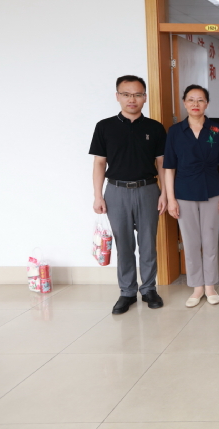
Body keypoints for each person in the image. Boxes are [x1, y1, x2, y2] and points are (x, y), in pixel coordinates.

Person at [90, 75, 167, 315]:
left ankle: (149, 289)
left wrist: (164, 193)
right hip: (116, 191)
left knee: (148, 244)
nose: (131, 99)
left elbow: (162, 164)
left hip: (148, 190)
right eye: (126, 94)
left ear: (145, 97)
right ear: (117, 97)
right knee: (123, 244)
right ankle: (127, 292)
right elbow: (99, 163)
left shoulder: (155, 128)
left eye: (137, 94)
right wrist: (98, 196)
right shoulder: (104, 127)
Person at [164, 85, 219, 307]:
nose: (195, 104)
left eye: (200, 100)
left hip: (212, 192)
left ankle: (210, 285)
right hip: (184, 193)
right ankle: (197, 287)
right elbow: (169, 168)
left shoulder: (217, 130)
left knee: (210, 241)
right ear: (184, 103)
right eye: (191, 99)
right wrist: (171, 199)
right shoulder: (175, 131)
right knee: (191, 242)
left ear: (207, 104)